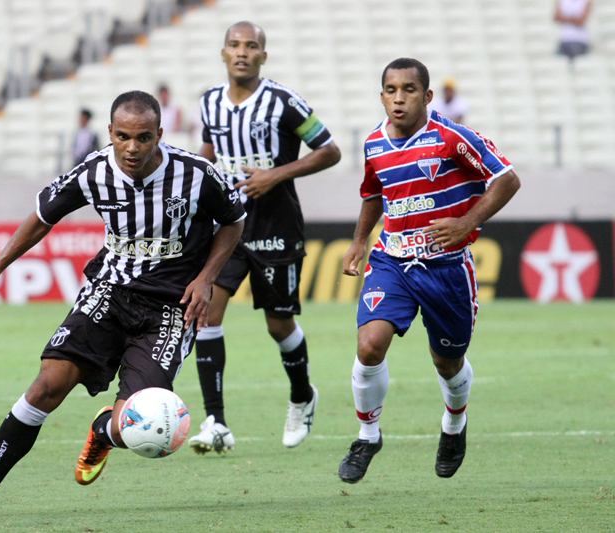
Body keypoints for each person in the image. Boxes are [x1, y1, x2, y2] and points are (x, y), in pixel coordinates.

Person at [0, 90, 246, 519]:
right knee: (45, 387)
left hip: (170, 308)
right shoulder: (93, 171)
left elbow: (234, 219)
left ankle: (103, 432)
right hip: (109, 292)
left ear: (159, 135)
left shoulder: (196, 173)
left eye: (144, 137)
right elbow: (42, 218)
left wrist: (207, 279)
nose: (132, 148)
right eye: (124, 136)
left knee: (145, 423)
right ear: (110, 133)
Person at [338, 58, 520, 483]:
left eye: (409, 90)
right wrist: (361, 241)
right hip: (392, 260)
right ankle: (368, 436)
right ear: (381, 95)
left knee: (447, 363)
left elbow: (507, 179)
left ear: (427, 96)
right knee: (369, 345)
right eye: (390, 90)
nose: (398, 98)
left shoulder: (452, 138)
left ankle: (454, 426)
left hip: (446, 269)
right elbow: (372, 195)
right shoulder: (373, 145)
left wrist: (466, 222)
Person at [188, 21, 341, 454]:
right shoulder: (210, 103)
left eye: (251, 46)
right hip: (229, 226)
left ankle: (302, 396)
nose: (242, 52)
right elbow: (210, 149)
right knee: (207, 313)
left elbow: (329, 150)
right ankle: (215, 421)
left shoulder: (282, 103)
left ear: (262, 56)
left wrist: (276, 174)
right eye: (234, 45)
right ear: (223, 53)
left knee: (278, 324)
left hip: (277, 226)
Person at [555, 0, 593, 64]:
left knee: (579, 64)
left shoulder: (585, 1)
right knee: (558, 64)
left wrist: (565, 18)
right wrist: (574, 18)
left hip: (579, 40)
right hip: (564, 39)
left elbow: (580, 21)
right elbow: (556, 17)